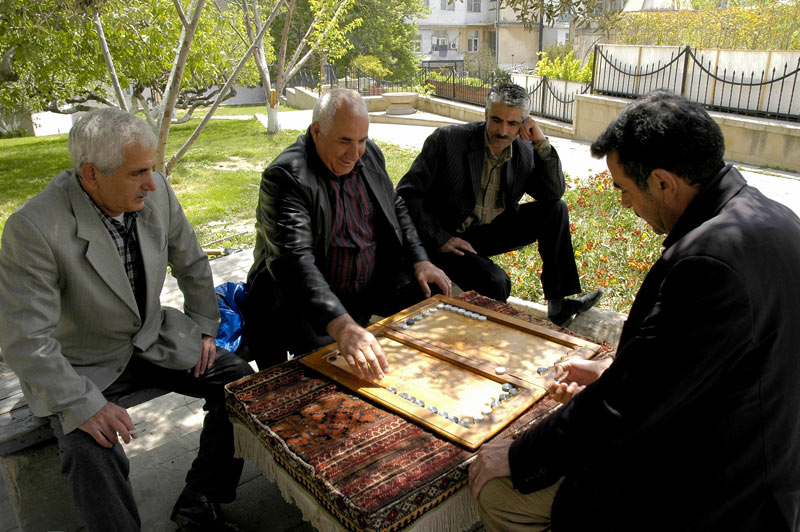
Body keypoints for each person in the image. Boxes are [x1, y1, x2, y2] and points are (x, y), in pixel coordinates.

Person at [467, 91, 800, 531]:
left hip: (719, 491)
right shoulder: (772, 217)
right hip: (754, 452)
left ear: (663, 183)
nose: (624, 204)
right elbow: (698, 364)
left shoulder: (709, 263)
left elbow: (623, 411)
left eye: (624, 189)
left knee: (500, 496)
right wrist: (614, 371)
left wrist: (516, 454)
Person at [0, 108, 254, 532]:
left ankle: (202, 501)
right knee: (92, 451)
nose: (152, 183)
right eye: (138, 173)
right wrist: (82, 405)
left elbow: (190, 260)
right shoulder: (34, 228)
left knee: (240, 384)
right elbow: (25, 339)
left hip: (152, 339)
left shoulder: (155, 193)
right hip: (81, 364)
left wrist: (206, 327)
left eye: (151, 169)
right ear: (91, 174)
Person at [241, 89, 450, 379]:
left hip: (365, 285)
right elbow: (294, 261)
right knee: (335, 367)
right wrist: (341, 325)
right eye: (344, 141)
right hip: (302, 299)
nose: (355, 153)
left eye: (361, 140)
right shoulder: (286, 175)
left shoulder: (369, 153)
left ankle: (419, 380)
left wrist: (420, 260)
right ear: (317, 131)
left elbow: (395, 205)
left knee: (432, 293)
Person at [396, 82, 602, 326]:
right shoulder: (448, 141)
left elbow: (552, 193)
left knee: (556, 210)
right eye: (496, 120)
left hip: (490, 231)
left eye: (513, 123)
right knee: (497, 281)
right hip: (449, 239)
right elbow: (407, 194)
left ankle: (558, 304)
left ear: (525, 123)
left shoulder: (525, 149)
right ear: (485, 115)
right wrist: (440, 238)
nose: (503, 131)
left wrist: (542, 144)